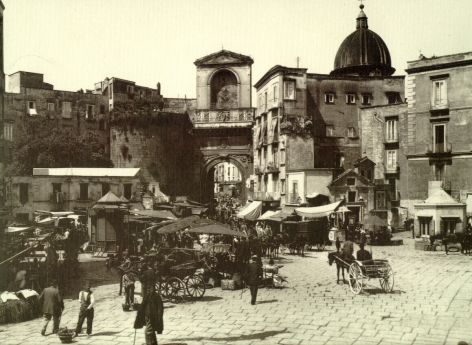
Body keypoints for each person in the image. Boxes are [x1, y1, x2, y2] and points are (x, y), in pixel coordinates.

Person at [135, 260, 164, 345]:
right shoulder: (153, 272)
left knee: (148, 327)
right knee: (151, 324)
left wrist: (139, 271)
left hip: (149, 302)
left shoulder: (147, 273)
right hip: (152, 300)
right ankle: (153, 343)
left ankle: (150, 343)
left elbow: (141, 279)